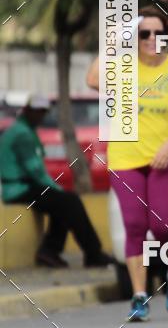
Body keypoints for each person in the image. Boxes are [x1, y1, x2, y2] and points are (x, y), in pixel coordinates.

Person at [87, 6, 168, 321]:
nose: (151, 39)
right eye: (144, 33)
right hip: (125, 157)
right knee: (134, 226)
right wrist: (115, 41)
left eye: (158, 33)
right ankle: (139, 296)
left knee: (162, 226)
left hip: (164, 159)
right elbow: (92, 79)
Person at [0, 94, 112, 268]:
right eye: (37, 112)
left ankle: (50, 252)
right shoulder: (22, 134)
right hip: (19, 189)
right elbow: (36, 171)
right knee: (69, 201)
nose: (41, 116)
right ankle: (93, 253)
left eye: (43, 112)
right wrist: (57, 189)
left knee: (64, 203)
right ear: (28, 111)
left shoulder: (22, 129)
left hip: (23, 186)